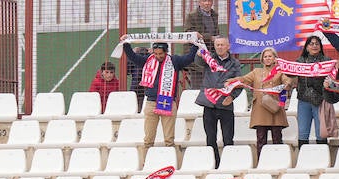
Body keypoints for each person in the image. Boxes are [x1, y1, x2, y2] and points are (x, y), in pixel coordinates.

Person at [124, 40, 197, 146]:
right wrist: (126, 44)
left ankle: (171, 162)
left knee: (169, 140)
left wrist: (195, 44)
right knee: (148, 140)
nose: (158, 56)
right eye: (156, 54)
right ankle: (146, 162)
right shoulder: (147, 60)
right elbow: (133, 57)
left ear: (166, 52)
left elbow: (189, 58)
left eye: (161, 54)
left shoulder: (174, 61)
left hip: (168, 102)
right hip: (151, 103)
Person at [195, 35, 242, 167]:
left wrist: (232, 97)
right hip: (208, 104)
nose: (220, 47)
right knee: (210, 137)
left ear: (228, 46)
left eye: (222, 45)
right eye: (217, 45)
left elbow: (240, 83)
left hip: (225, 105)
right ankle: (214, 163)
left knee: (228, 137)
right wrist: (199, 54)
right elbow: (198, 62)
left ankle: (229, 164)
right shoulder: (209, 59)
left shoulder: (235, 63)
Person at [244, 48, 290, 154]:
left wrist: (287, 84)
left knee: (277, 139)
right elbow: (244, 79)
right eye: (265, 57)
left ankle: (279, 163)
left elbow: (288, 81)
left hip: (275, 108)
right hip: (260, 110)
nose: (267, 58)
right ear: (262, 59)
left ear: (275, 58)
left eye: (270, 56)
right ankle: (261, 165)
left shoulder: (280, 72)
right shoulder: (256, 72)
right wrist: (233, 82)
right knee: (261, 140)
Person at [295, 35, 332, 146]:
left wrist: (336, 69)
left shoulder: (327, 60)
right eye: (311, 44)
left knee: (321, 132)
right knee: (302, 131)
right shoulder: (300, 61)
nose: (314, 46)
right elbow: (289, 73)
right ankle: (303, 157)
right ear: (306, 47)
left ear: (320, 47)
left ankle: (322, 158)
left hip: (321, 100)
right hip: (303, 100)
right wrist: (281, 66)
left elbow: (333, 77)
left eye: (317, 44)